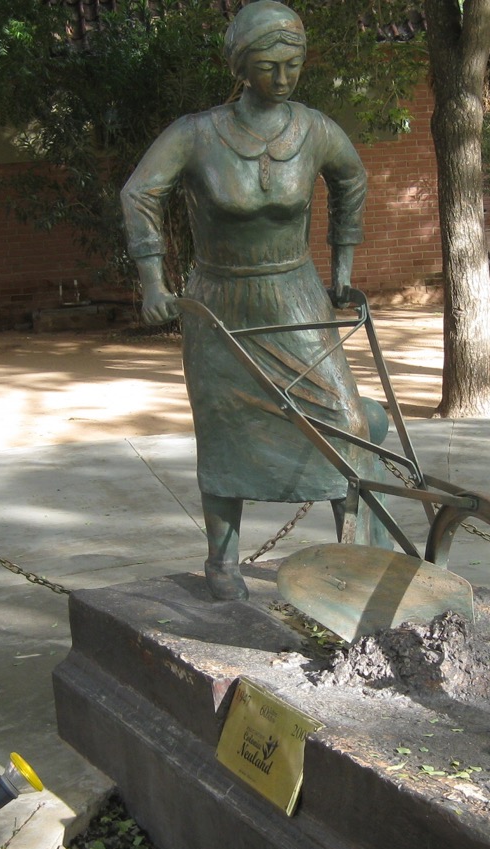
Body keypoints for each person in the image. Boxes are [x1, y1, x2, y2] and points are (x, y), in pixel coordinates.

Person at [121, 1, 373, 601]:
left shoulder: (313, 129)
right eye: (268, 66)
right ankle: (222, 561)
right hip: (220, 303)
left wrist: (341, 270)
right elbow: (139, 194)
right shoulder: (196, 133)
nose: (283, 78)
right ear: (241, 66)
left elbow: (352, 179)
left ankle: (357, 549)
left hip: (296, 296)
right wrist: (153, 281)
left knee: (345, 422)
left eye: (293, 65)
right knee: (223, 429)